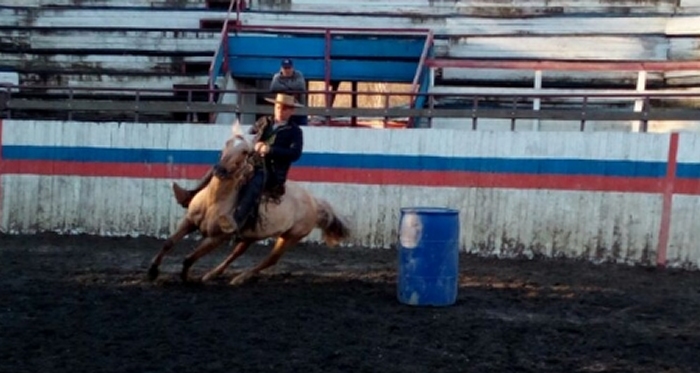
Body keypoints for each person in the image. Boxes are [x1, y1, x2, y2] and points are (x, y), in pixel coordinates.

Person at [172, 93, 304, 232]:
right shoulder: (264, 121)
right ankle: (191, 195)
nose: (280, 111)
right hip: (251, 163)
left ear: (291, 111)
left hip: (271, 171)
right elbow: (250, 135)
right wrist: (243, 139)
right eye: (278, 107)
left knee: (255, 182)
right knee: (220, 167)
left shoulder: (295, 132)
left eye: (284, 109)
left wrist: (270, 149)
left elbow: (295, 154)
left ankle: (236, 220)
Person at [270, 58, 307, 126]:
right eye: (285, 68)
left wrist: (284, 87)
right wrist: (291, 88)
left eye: (289, 68)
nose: (287, 70)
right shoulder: (277, 77)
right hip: (282, 111)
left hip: (297, 109)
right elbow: (273, 87)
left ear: (292, 68)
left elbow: (301, 87)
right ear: (281, 68)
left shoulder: (298, 75)